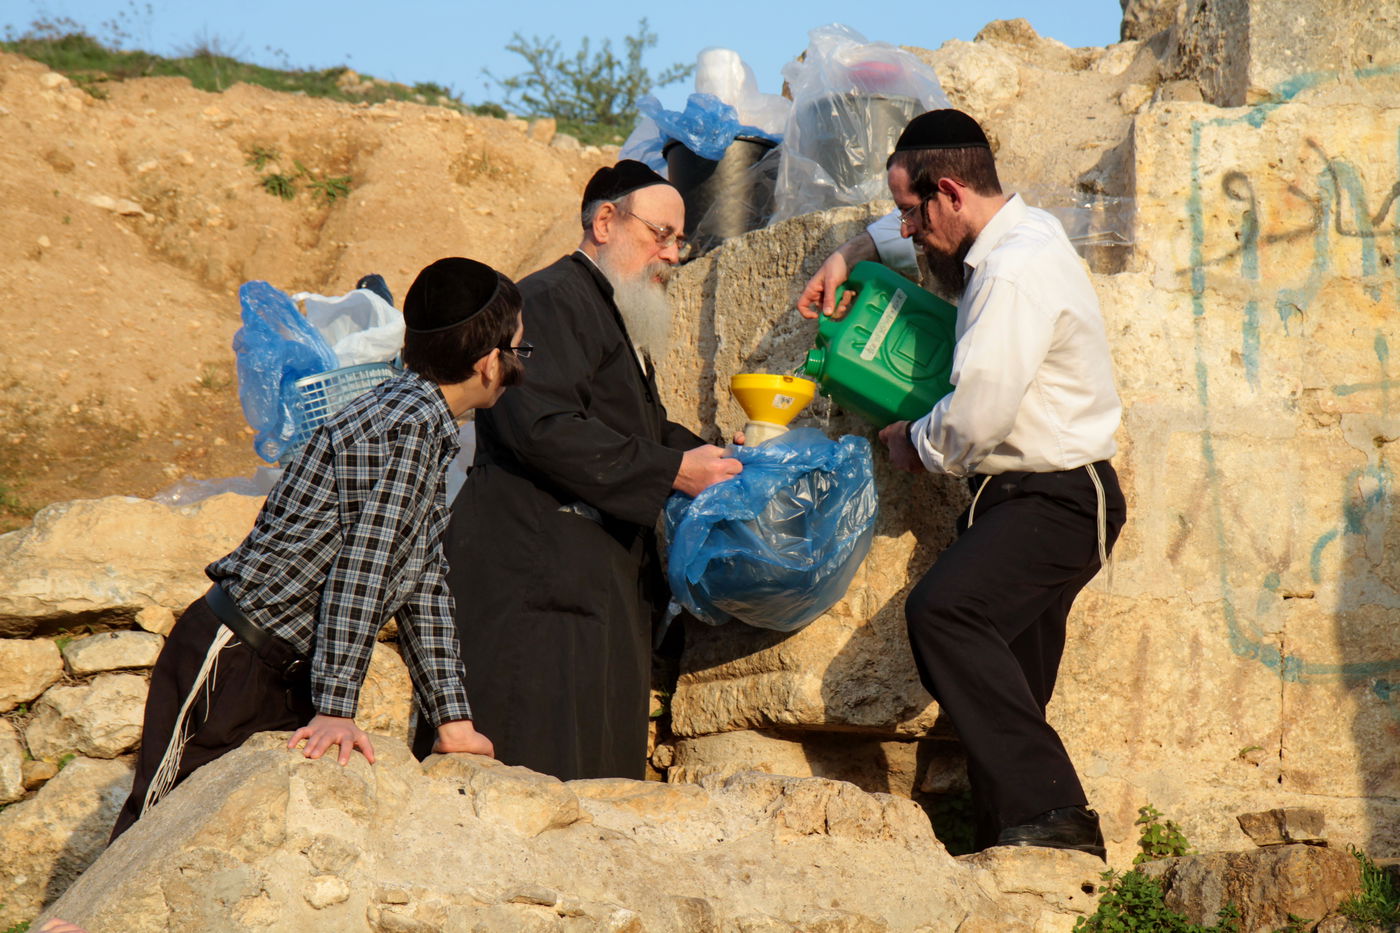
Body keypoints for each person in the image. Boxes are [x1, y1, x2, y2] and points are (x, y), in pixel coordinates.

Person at [798, 110, 1126, 860]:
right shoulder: (1011, 235)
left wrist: (911, 441)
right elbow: (907, 223)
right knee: (1008, 695)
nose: (906, 230)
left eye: (911, 213)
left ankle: (1060, 814)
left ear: (949, 191)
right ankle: (1026, 854)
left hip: (1058, 496)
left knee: (945, 612)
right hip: (1027, 499)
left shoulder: (1012, 272)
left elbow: (976, 417)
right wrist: (856, 248)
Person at [110, 257, 520, 841]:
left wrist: (452, 720)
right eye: (519, 354)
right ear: (487, 363)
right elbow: (365, 569)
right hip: (234, 660)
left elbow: (422, 578)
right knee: (149, 838)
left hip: (281, 670)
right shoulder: (409, 428)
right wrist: (336, 707)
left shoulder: (422, 420)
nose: (519, 367)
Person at [433, 160, 741, 781]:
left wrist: (717, 457)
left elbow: (638, 433)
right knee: (530, 772)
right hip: (534, 580)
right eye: (662, 234)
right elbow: (540, 426)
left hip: (584, 585)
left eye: (681, 240)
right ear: (605, 220)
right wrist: (674, 471)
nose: (673, 254)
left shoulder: (604, 309)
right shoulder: (545, 301)